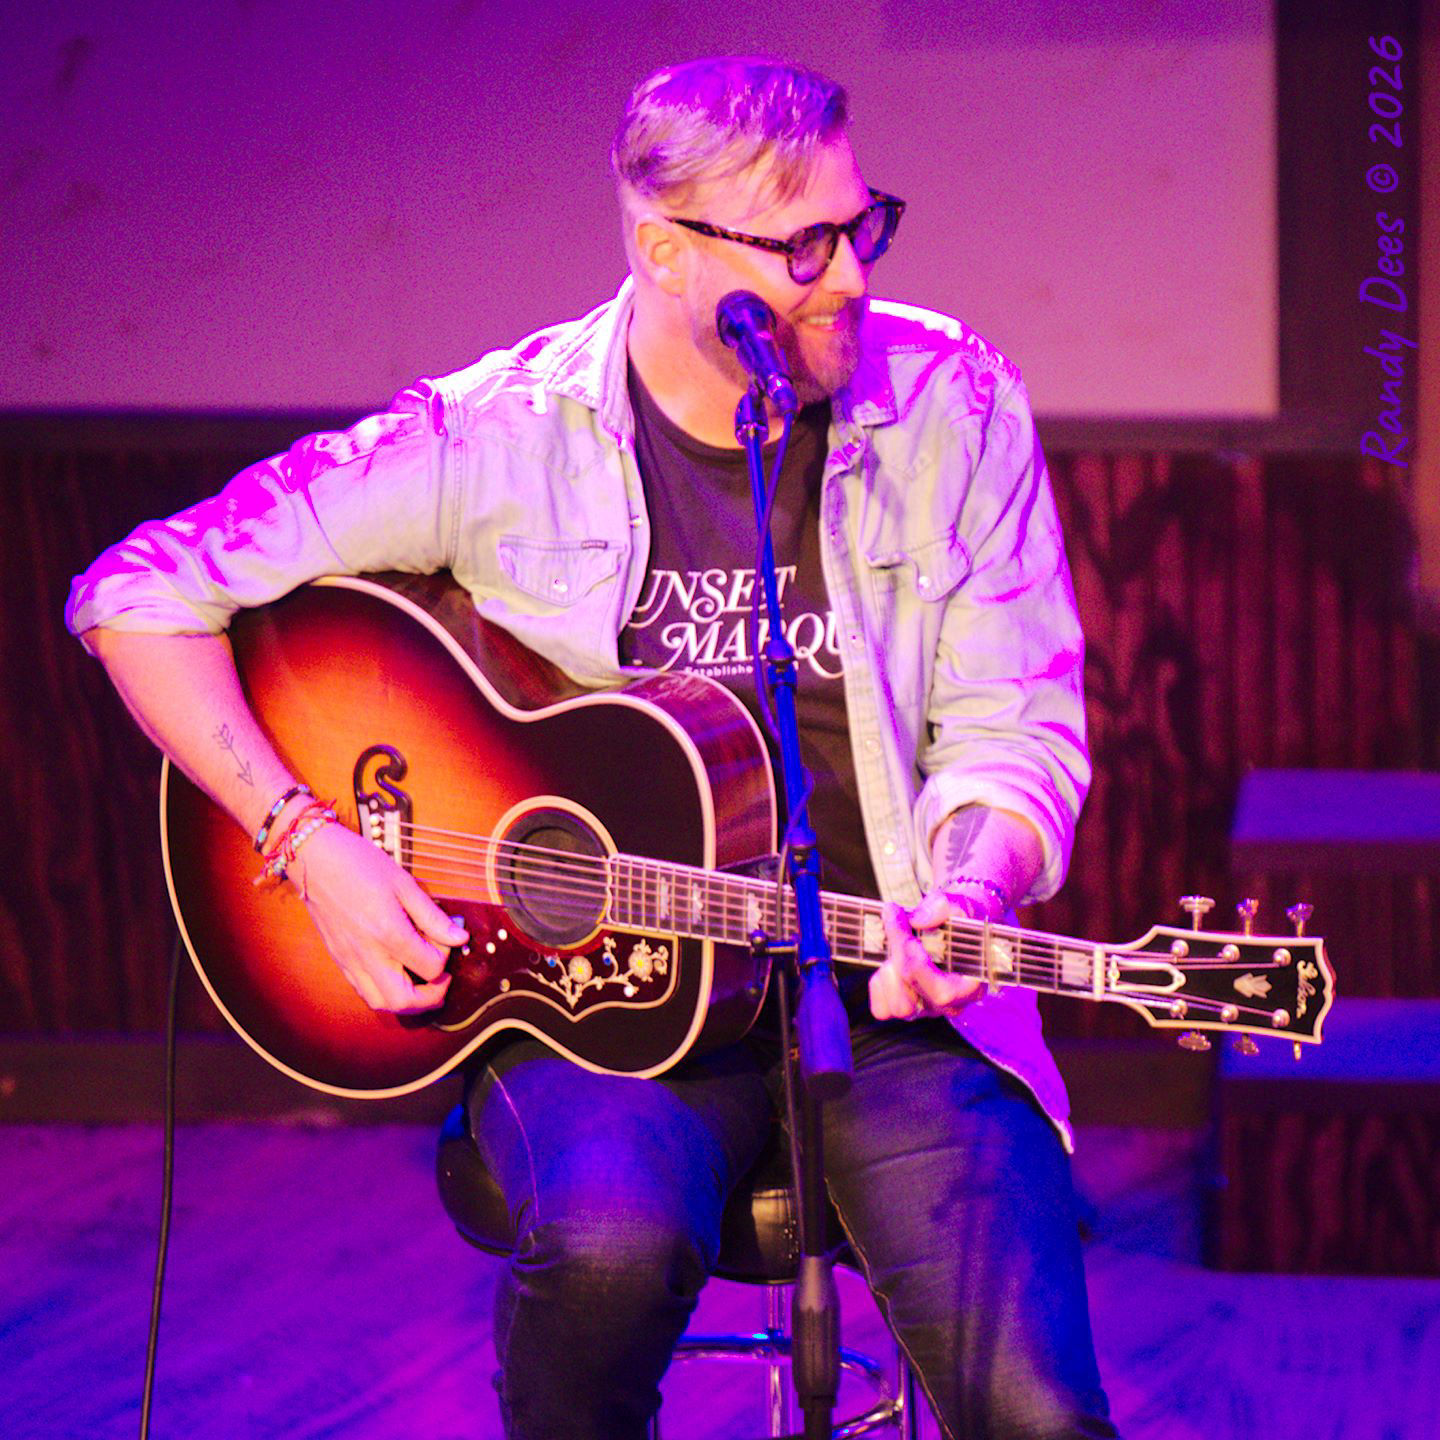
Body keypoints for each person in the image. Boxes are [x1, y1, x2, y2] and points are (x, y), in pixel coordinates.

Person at [67, 56, 1114, 1440]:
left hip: (898, 1005)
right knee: (609, 1248)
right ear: (664, 248)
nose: (850, 277)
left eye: (863, 226)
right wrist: (304, 837)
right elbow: (135, 594)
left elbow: (1016, 729)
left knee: (1039, 1414)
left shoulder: (951, 406)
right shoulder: (502, 432)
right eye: (803, 244)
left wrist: (973, 886)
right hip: (600, 1020)